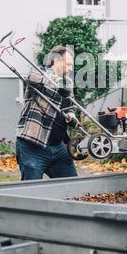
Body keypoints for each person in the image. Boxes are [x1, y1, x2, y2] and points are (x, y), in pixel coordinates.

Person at [16, 45, 78, 180]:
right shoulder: (38, 73)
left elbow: (71, 105)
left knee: (72, 186)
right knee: (31, 191)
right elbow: (29, 77)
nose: (71, 68)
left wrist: (71, 115)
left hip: (58, 147)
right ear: (56, 61)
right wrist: (52, 80)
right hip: (32, 146)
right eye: (68, 64)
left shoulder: (67, 82)